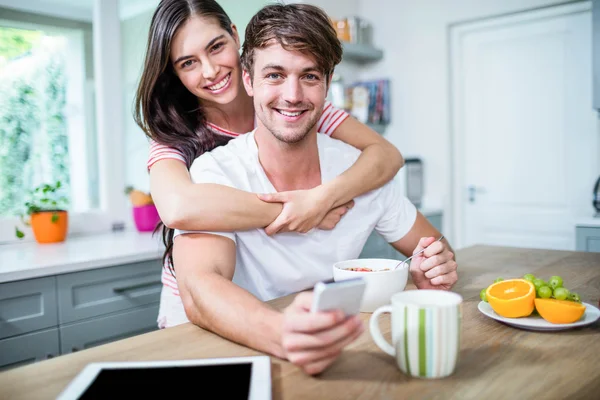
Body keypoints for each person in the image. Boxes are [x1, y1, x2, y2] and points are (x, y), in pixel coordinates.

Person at [169, 3, 458, 376]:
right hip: (244, 352)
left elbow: (434, 248)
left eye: (309, 76)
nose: (293, 95)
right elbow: (200, 287)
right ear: (248, 80)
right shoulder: (216, 171)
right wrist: (281, 332)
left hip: (341, 354)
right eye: (274, 75)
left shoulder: (361, 171)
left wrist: (434, 268)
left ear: (327, 82)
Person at [134, 0, 405, 313]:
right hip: (194, 298)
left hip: (266, 300)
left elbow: (386, 155)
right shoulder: (173, 136)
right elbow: (178, 207)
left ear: (234, 36)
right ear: (175, 73)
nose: (210, 70)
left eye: (216, 46)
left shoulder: (292, 107)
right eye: (188, 63)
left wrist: (322, 199)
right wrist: (299, 210)